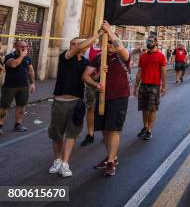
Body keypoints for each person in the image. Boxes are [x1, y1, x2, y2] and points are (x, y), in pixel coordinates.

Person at [48, 32, 100, 177]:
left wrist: (98, 76)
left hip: (76, 102)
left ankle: (65, 163)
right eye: (73, 44)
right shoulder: (65, 57)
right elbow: (80, 47)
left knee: (71, 134)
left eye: (78, 44)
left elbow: (88, 78)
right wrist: (98, 34)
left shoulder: (85, 62)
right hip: (60, 102)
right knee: (57, 135)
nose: (77, 46)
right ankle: (57, 160)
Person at [83, 21, 130, 177]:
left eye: (110, 42)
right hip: (103, 97)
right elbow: (85, 76)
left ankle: (111, 162)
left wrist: (109, 31)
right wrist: (96, 83)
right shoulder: (98, 58)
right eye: (105, 42)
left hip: (119, 96)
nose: (108, 44)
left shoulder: (122, 56)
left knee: (114, 129)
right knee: (104, 129)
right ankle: (112, 157)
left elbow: (123, 51)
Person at [133, 37, 167, 141]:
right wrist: (135, 86)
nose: (149, 43)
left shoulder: (161, 56)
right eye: (148, 41)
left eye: (151, 41)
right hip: (143, 85)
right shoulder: (143, 56)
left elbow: (163, 72)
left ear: (156, 43)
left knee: (152, 109)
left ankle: (149, 130)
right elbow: (139, 71)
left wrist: (164, 86)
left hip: (154, 85)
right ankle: (145, 127)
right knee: (144, 108)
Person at [0, 39, 36, 134]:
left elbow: (31, 70)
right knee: (4, 107)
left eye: (25, 46)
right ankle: (0, 125)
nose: (24, 48)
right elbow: (13, 64)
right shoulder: (9, 57)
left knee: (21, 106)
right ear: (15, 47)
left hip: (23, 87)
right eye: (21, 46)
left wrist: (32, 83)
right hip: (9, 87)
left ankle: (18, 124)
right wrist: (21, 56)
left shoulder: (27, 58)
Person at [80, 42, 101, 146]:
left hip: (108, 83)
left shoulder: (112, 47)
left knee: (106, 108)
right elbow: (87, 64)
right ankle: (90, 134)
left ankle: (106, 131)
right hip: (92, 82)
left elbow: (127, 53)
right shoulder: (91, 49)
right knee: (90, 108)